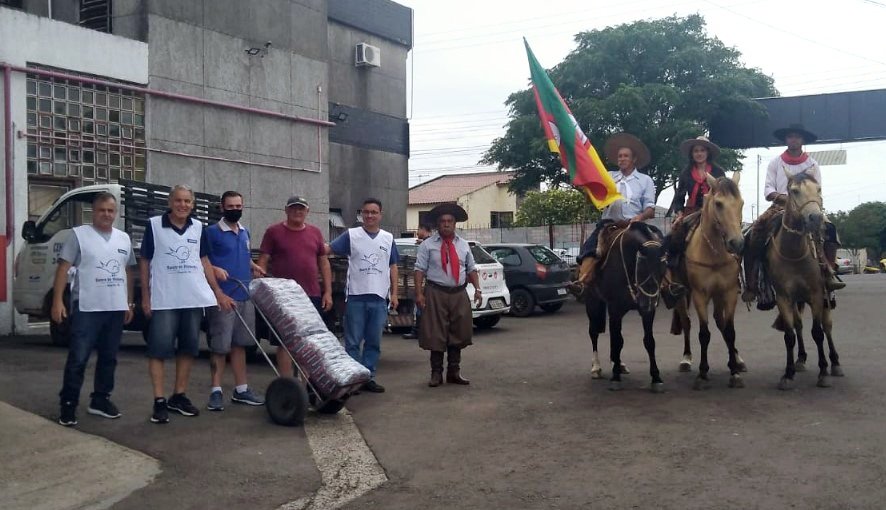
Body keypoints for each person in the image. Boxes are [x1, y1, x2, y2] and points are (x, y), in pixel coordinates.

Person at [140, 184, 233, 424]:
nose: (183, 205)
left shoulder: (198, 227)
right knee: (158, 350)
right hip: (164, 299)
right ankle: (159, 400)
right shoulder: (154, 226)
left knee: (188, 349)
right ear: (170, 202)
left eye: (187, 201)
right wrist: (145, 296)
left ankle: (178, 396)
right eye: (178, 200)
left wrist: (217, 291)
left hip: (192, 299)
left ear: (192, 205)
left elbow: (204, 260)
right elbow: (145, 261)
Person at [53, 192, 136, 426]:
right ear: (94, 211)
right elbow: (63, 268)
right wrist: (57, 301)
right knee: (78, 358)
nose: (106, 214)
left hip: (115, 308)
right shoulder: (79, 236)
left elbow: (128, 271)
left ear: (115, 213)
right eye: (102, 210)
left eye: (111, 211)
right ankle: (68, 404)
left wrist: (129, 302)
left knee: (109, 358)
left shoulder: (123, 239)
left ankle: (100, 400)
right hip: (87, 307)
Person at [742, 123, 845, 305]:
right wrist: (786, 199)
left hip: (807, 207)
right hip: (779, 207)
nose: (794, 139)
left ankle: (829, 272)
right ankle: (753, 283)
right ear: (786, 140)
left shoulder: (812, 164)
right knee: (753, 234)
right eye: (790, 136)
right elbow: (768, 189)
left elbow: (817, 189)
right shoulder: (775, 163)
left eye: (797, 136)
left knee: (829, 229)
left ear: (802, 140)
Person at [329, 198, 399, 393]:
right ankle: (353, 380)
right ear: (361, 214)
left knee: (373, 342)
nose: (369, 216)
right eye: (366, 212)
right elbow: (328, 249)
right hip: (356, 297)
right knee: (352, 342)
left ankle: (368, 377)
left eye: (374, 212)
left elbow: (393, 266)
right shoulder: (351, 235)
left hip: (379, 298)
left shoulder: (388, 238)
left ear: (380, 215)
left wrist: (394, 293)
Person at [257, 196, 332, 377]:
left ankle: (305, 384)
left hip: (311, 295)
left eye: (301, 208)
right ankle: (287, 384)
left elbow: (323, 263)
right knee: (285, 341)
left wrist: (328, 292)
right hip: (283, 297)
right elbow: (263, 260)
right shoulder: (273, 232)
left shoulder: (315, 233)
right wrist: (260, 284)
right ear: (286, 210)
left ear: (307, 211)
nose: (297, 212)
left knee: (307, 341)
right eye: (293, 208)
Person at [205, 191, 266, 411]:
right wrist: (214, 269)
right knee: (220, 347)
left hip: (244, 295)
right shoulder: (211, 232)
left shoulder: (244, 231)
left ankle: (241, 390)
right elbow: (201, 259)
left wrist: (254, 266)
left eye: (238, 206)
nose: (235, 210)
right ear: (222, 208)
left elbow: (243, 255)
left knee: (240, 345)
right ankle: (216, 391)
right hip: (223, 297)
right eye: (230, 206)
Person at [574, 132, 657, 291]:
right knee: (590, 247)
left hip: (634, 224)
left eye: (626, 156)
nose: (622, 159)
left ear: (634, 159)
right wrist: (587, 186)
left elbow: (650, 209)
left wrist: (640, 217)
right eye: (620, 156)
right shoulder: (608, 176)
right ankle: (582, 281)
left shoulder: (645, 180)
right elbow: (595, 195)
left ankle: (667, 283)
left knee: (657, 245)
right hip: (609, 224)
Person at [414, 204, 482, 387]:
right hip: (435, 293)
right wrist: (419, 294)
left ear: (455, 223)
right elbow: (419, 270)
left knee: (458, 333)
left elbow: (471, 269)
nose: (446, 224)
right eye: (443, 221)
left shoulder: (464, 245)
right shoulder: (427, 245)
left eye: (449, 221)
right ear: (437, 224)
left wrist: (478, 289)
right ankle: (436, 373)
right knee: (435, 334)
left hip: (458, 293)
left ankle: (454, 372)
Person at [662, 136, 727, 302]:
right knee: (672, 238)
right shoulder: (686, 173)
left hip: (714, 212)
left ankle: (736, 276)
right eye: (696, 151)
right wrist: (679, 213)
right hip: (693, 211)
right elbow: (679, 197)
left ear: (708, 152)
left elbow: (725, 195)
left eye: (702, 150)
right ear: (692, 154)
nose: (699, 154)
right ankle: (673, 276)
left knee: (732, 235)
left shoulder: (718, 172)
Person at [402, 223, 433, 340]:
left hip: (428, 281)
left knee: (421, 306)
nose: (417, 232)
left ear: (424, 229)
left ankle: (418, 331)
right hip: (430, 281)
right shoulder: (429, 242)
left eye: (418, 230)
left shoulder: (426, 244)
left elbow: (420, 268)